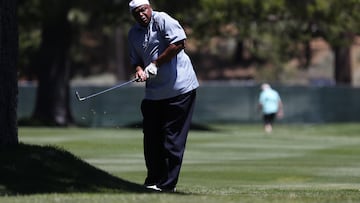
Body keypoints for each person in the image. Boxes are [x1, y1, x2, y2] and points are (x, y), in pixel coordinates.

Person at [127, 0, 199, 192]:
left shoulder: (162, 20)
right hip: (154, 93)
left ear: (149, 7)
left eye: (143, 10)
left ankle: (167, 185)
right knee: (151, 138)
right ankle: (153, 181)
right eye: (136, 13)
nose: (141, 14)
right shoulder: (133, 33)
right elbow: (136, 60)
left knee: (171, 138)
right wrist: (139, 70)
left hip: (180, 89)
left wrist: (155, 64)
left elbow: (179, 43)